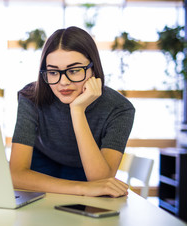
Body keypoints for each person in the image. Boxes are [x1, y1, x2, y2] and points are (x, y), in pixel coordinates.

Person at [9, 26, 135, 198]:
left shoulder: (119, 108)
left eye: (74, 70)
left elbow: (101, 181)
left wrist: (77, 110)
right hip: (39, 175)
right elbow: (16, 176)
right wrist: (82, 188)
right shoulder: (31, 96)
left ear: (93, 68)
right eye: (53, 72)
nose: (63, 82)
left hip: (86, 172)